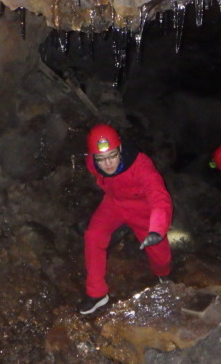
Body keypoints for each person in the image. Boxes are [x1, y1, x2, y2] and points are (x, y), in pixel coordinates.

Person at [78, 124, 173, 315]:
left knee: (160, 257)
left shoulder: (142, 167)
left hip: (142, 208)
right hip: (114, 203)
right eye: (101, 159)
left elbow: (160, 198)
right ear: (93, 158)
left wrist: (157, 229)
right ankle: (97, 293)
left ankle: (164, 276)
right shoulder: (92, 164)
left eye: (113, 155)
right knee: (93, 235)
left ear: (120, 149)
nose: (108, 163)